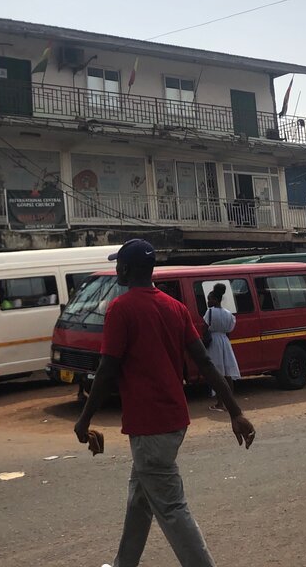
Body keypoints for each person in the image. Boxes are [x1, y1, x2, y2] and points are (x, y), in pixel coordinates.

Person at [74, 239, 256, 567]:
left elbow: (107, 369)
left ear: (127, 269)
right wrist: (236, 412)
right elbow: (205, 363)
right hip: (172, 420)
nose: (116, 269)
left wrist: (84, 419)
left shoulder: (121, 308)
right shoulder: (174, 307)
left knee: (172, 509)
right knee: (140, 500)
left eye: (119, 264)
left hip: (150, 425)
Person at [204, 283, 240, 410]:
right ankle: (230, 401)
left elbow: (205, 329)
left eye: (209, 299)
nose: (208, 301)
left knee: (217, 373)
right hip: (225, 342)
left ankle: (220, 403)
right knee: (228, 373)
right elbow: (229, 330)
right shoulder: (228, 313)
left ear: (214, 299)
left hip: (214, 342)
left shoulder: (210, 312)